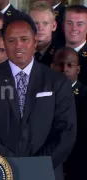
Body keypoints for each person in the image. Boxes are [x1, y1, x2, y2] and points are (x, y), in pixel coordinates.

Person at [0, 14, 76, 180]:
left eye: (24, 39)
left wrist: (37, 165)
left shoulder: (57, 82)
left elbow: (66, 132)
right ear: (4, 43)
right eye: (11, 40)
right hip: (0, 171)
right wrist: (8, 164)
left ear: (35, 42)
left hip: (45, 172)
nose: (18, 45)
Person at [51, 47, 87, 179]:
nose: (64, 69)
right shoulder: (44, 95)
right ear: (52, 67)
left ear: (78, 69)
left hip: (78, 164)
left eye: (70, 65)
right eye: (60, 65)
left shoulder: (84, 96)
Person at [63, 5, 87, 85]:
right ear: (63, 25)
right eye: (69, 23)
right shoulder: (53, 54)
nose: (74, 28)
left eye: (79, 24)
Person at [29, 1, 57, 67]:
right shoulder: (21, 52)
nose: (40, 28)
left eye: (45, 23)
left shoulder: (61, 55)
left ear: (53, 26)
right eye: (36, 23)